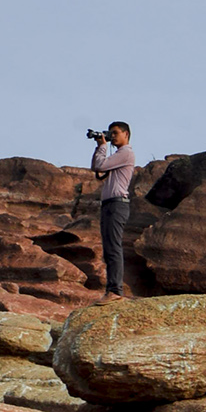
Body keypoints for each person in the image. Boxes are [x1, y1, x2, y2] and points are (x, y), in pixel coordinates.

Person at [85, 121, 141, 298]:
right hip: (110, 205)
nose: (113, 136)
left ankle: (115, 291)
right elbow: (97, 167)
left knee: (114, 248)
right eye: (110, 133)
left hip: (117, 205)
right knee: (109, 249)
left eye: (115, 133)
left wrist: (102, 146)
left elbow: (100, 166)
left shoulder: (126, 153)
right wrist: (100, 147)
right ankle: (112, 290)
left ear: (126, 134)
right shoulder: (118, 155)